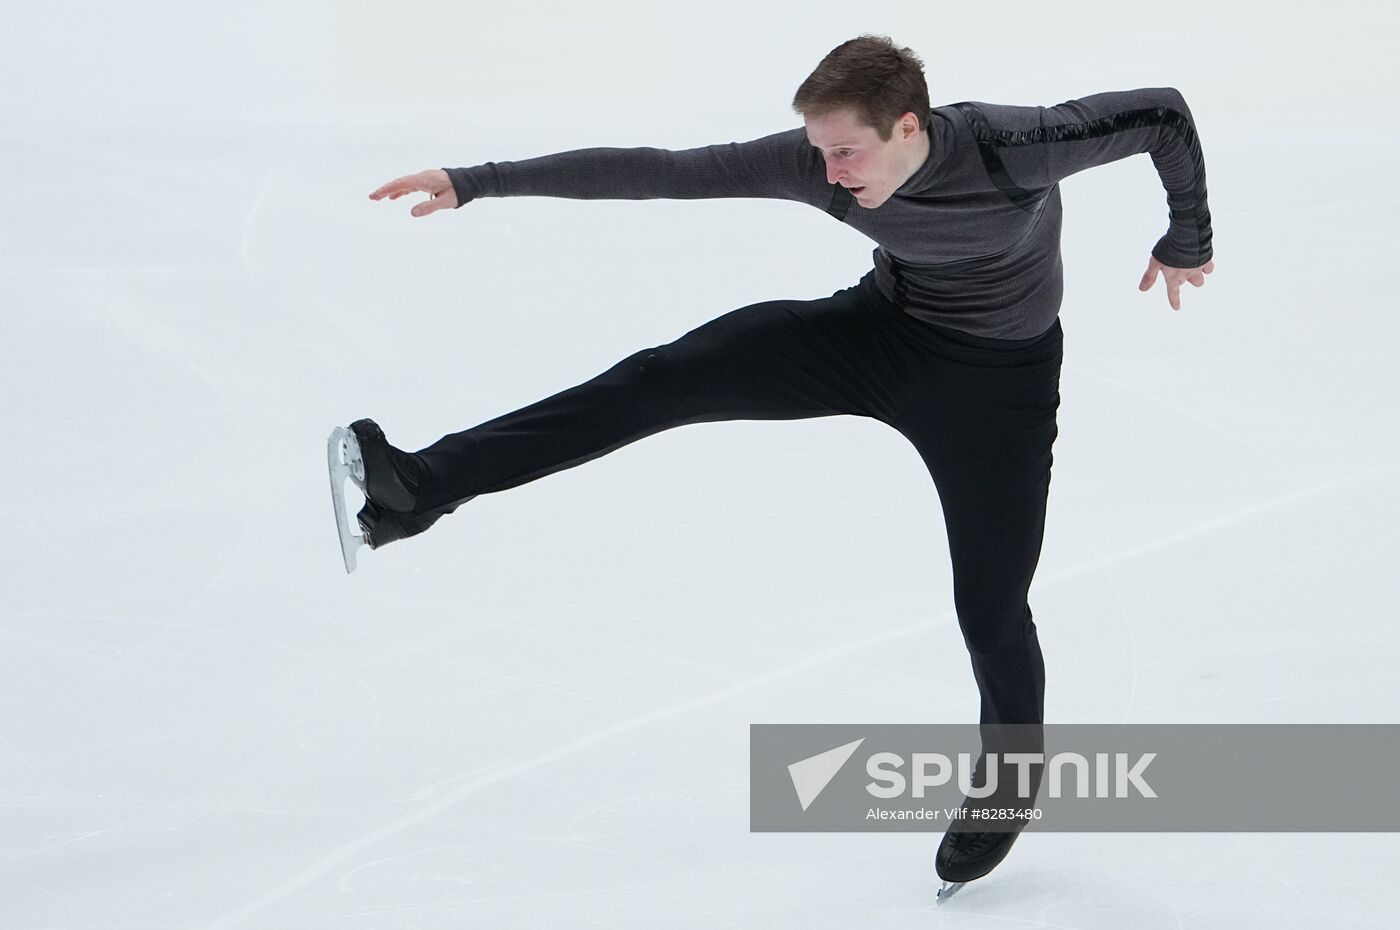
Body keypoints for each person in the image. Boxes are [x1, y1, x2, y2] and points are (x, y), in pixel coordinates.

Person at [344, 34, 1215, 891]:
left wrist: (1188, 234)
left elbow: (1163, 117)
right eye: (818, 150)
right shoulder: (816, 164)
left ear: (909, 127)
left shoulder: (1012, 145)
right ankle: (418, 488)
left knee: (990, 606)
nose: (829, 170)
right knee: (662, 379)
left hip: (1000, 387)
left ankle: (1009, 787)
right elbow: (664, 171)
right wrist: (479, 182)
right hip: (880, 334)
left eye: (846, 150)